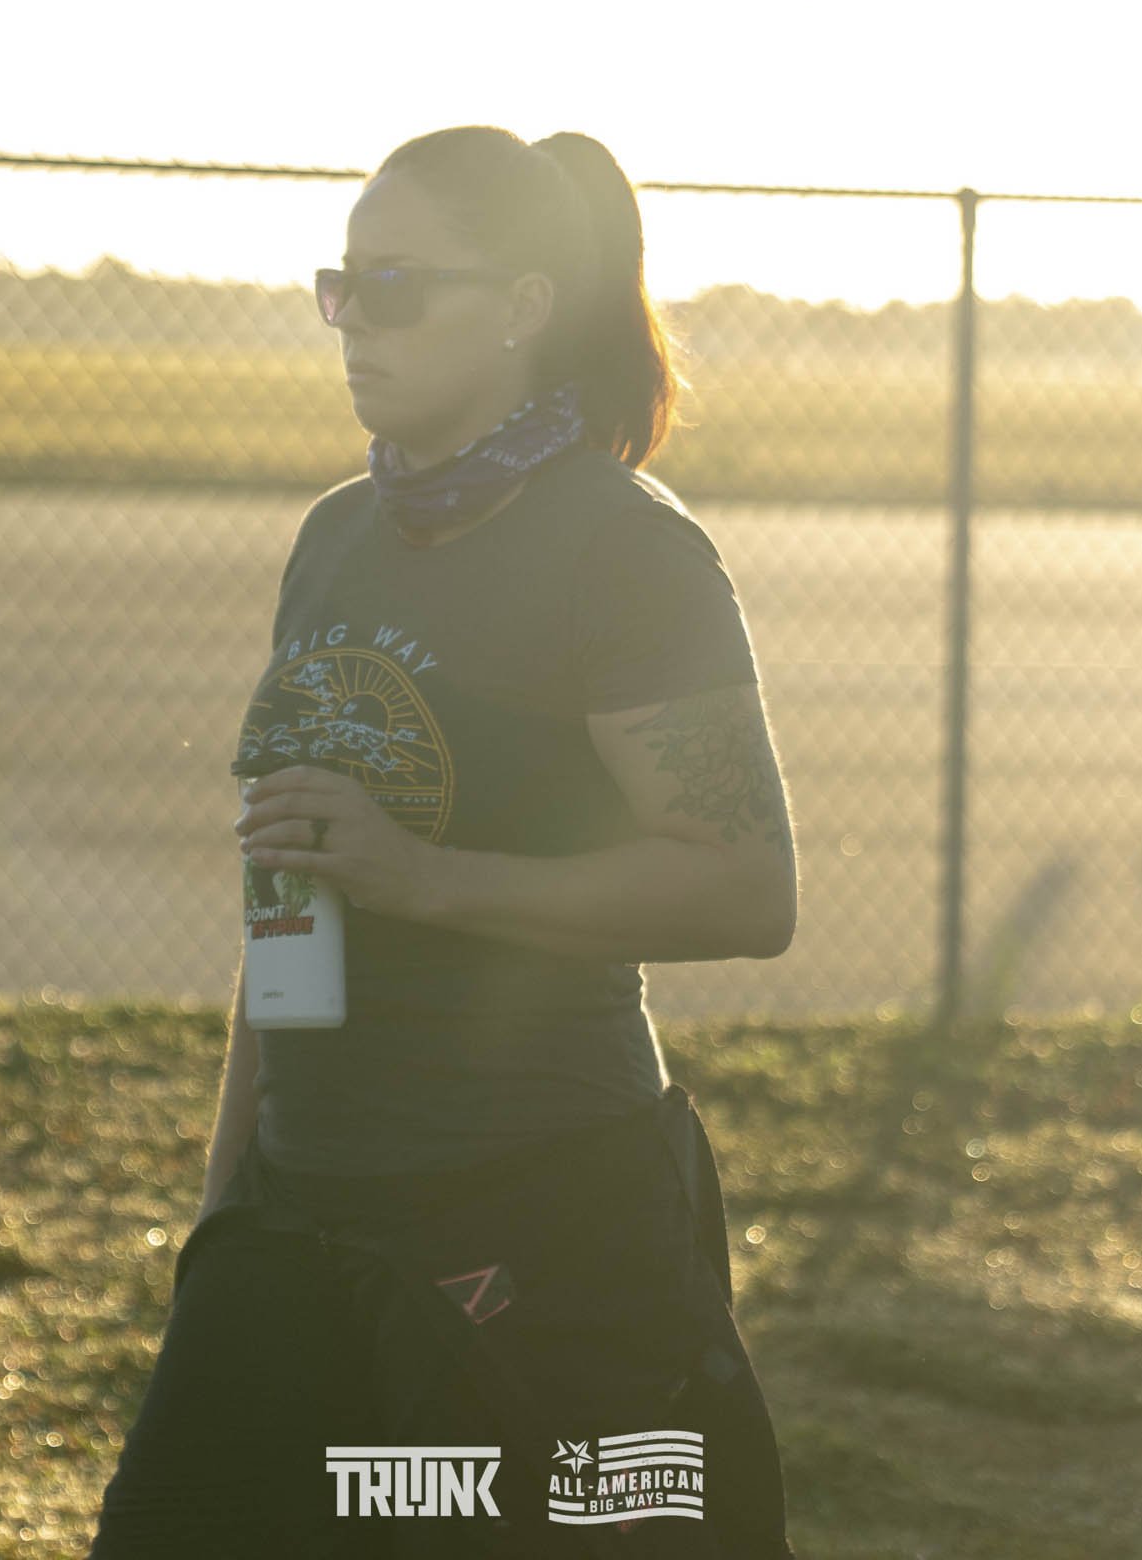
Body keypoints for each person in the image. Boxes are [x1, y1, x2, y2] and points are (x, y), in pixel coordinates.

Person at [87, 126, 801, 1557]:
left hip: (537, 1216)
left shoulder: (627, 552)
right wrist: (230, 1200)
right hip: (304, 1218)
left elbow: (743, 886)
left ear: (526, 305)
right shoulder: (339, 533)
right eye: (341, 287)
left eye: (400, 288)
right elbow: (288, 881)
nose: (357, 324)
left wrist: (425, 878)